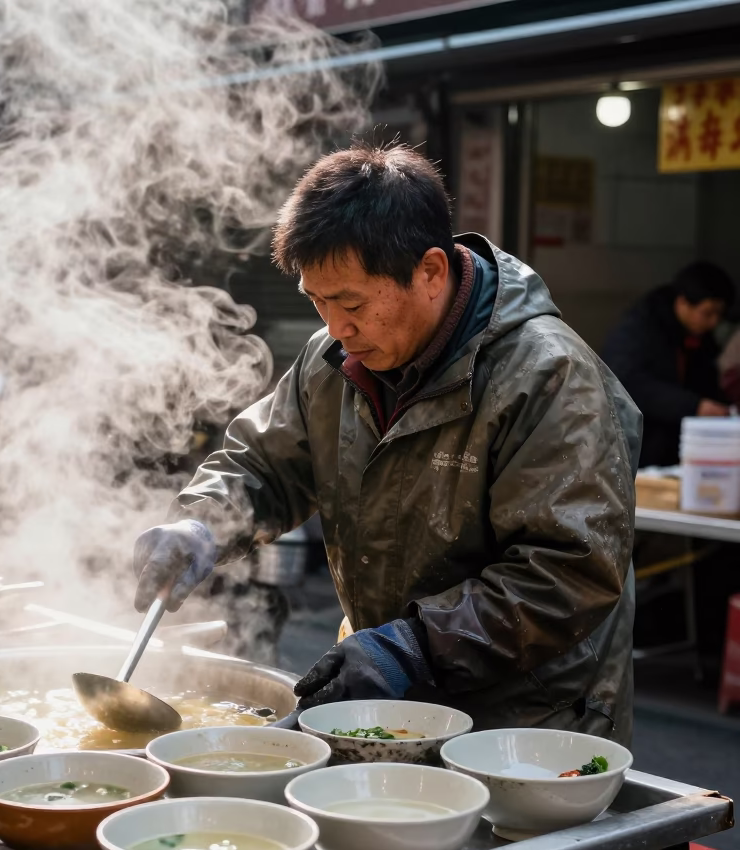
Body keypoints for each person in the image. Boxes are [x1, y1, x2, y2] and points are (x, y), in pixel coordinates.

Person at [132, 143, 642, 742]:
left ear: (429, 271)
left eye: (350, 302)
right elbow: (263, 465)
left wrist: (413, 647)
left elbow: (567, 573)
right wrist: (201, 526)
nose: (337, 327)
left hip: (527, 728)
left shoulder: (549, 377)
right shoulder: (332, 363)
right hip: (387, 699)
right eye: (319, 302)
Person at [602, 261, 736, 468]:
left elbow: (705, 381)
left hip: (677, 448)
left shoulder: (699, 337)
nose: (713, 322)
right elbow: (625, 382)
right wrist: (694, 405)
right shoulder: (639, 329)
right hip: (635, 448)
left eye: (719, 315)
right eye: (708, 313)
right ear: (683, 303)